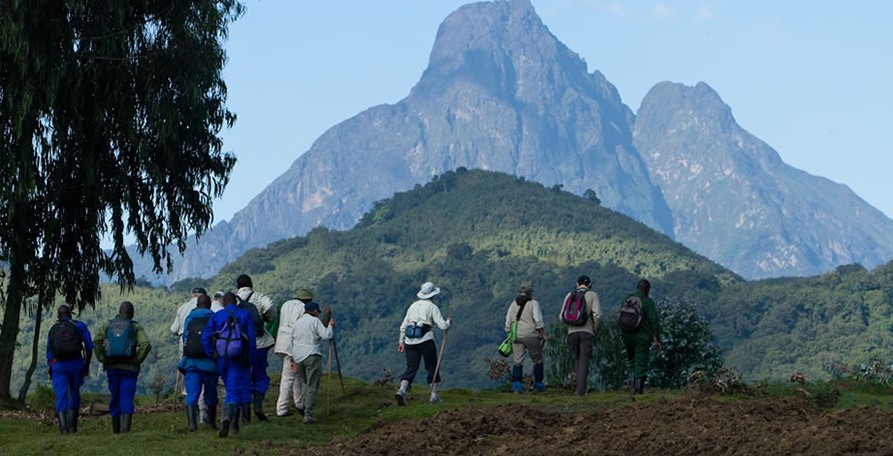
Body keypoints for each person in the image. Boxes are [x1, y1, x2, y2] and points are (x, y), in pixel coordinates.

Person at [203, 291, 257, 438]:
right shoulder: (244, 315)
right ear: (236, 302)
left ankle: (234, 425)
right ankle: (229, 419)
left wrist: (212, 354)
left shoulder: (217, 316)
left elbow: (205, 337)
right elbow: (251, 340)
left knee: (230, 386)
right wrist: (251, 359)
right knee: (234, 391)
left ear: (224, 303)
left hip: (221, 358)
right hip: (239, 358)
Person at [94, 301, 152, 433]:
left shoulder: (108, 325)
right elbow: (145, 344)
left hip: (112, 368)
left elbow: (97, 341)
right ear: (131, 313)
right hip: (129, 369)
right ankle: (126, 430)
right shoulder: (134, 326)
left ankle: (116, 430)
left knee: (115, 396)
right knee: (126, 396)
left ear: (119, 312)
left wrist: (103, 358)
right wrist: (137, 360)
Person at [395, 281, 451, 405]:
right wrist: (448, 322)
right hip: (425, 340)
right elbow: (442, 325)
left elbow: (403, 325)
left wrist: (401, 342)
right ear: (432, 294)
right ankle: (433, 395)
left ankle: (402, 390)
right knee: (431, 366)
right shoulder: (432, 307)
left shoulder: (413, 306)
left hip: (409, 341)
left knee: (411, 367)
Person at [235, 274, 277, 421]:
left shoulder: (232, 300)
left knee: (243, 377)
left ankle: (245, 414)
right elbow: (271, 307)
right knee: (260, 375)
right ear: (251, 285)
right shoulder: (259, 297)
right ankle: (258, 405)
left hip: (240, 346)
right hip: (259, 343)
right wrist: (267, 318)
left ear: (237, 287)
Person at [46, 305, 93, 435]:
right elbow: (89, 346)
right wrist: (86, 364)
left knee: (61, 396)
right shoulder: (80, 326)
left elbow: (49, 352)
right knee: (74, 392)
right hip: (76, 363)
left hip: (59, 366)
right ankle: (73, 427)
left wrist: (50, 369)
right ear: (70, 314)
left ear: (58, 316)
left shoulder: (53, 329)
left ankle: (63, 429)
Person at [177, 294, 219, 431]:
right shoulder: (213, 317)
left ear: (197, 305)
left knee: (192, 394)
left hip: (192, 362)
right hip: (210, 363)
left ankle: (192, 424)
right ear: (209, 305)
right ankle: (211, 423)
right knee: (211, 393)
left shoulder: (190, 318)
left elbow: (185, 339)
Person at [288, 301, 335, 424]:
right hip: (311, 354)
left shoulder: (297, 323)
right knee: (312, 385)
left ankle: (302, 406)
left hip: (298, 356)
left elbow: (292, 339)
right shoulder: (315, 321)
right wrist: (330, 326)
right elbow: (326, 335)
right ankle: (308, 414)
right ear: (314, 311)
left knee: (305, 382)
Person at [560, 275, 602, 396]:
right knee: (584, 361)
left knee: (577, 359)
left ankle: (577, 386)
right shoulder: (592, 295)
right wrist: (594, 329)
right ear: (589, 284)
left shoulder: (569, 295)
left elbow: (561, 316)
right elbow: (597, 315)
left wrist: (569, 327)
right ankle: (580, 391)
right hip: (586, 331)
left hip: (571, 332)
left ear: (577, 284)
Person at [620, 279, 662, 394]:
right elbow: (654, 322)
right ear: (647, 289)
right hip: (642, 337)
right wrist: (658, 340)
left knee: (632, 360)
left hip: (627, 336)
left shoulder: (626, 299)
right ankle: (638, 389)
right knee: (641, 362)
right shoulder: (647, 302)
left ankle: (631, 385)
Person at [274, 288, 310, 417]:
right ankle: (282, 409)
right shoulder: (304, 309)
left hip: (281, 341)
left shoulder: (286, 304)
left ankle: (299, 403)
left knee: (296, 375)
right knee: (288, 377)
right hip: (293, 344)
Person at [504, 285, 547, 393]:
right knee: (538, 360)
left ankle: (517, 386)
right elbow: (538, 321)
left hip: (516, 336)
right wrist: (543, 334)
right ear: (530, 294)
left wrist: (509, 334)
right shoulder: (534, 304)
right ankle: (538, 385)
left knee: (517, 361)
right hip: (530, 335)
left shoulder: (513, 304)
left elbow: (508, 322)